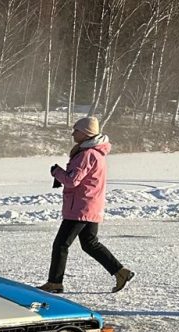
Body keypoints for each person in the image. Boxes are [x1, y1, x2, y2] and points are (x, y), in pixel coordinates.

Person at [41, 115, 134, 294]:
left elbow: (72, 181)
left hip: (80, 208)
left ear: (86, 133)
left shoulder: (87, 154)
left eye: (76, 130)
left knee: (61, 245)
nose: (73, 134)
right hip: (91, 205)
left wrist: (57, 172)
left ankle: (55, 283)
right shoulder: (96, 153)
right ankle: (121, 272)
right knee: (90, 243)